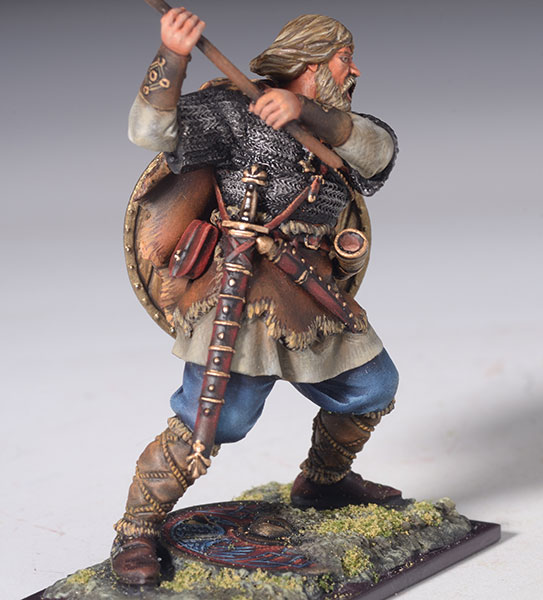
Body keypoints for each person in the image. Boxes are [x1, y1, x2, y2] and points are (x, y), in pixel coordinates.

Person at [112, 7, 402, 585]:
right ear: (311, 63)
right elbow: (149, 132)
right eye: (344, 59)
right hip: (241, 289)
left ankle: (322, 484)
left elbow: (380, 154)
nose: (354, 71)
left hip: (311, 288)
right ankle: (137, 528)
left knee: (372, 386)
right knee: (220, 417)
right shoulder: (231, 110)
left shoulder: (339, 125)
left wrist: (304, 111)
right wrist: (173, 55)